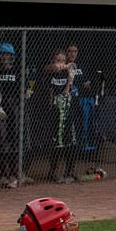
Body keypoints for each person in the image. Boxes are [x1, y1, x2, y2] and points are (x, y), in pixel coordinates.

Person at [0, 43, 31, 188]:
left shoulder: (18, 70)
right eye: (4, 54)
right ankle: (4, 175)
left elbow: (24, 90)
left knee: (15, 140)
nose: (6, 57)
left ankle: (16, 174)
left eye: (9, 55)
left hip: (14, 107)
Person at [40, 50, 80, 184]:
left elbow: (66, 92)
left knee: (70, 142)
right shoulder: (50, 70)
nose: (61, 63)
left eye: (63, 60)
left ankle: (68, 172)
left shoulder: (67, 72)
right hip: (53, 111)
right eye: (58, 60)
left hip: (67, 110)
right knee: (56, 143)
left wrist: (69, 80)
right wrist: (66, 66)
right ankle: (52, 171)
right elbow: (53, 68)